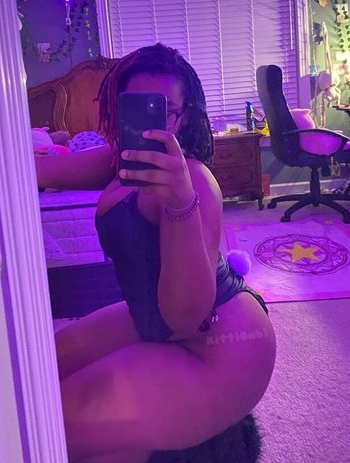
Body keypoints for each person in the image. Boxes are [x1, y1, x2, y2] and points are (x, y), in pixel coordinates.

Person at [40, 43, 276, 463]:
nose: (150, 122)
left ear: (183, 116)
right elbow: (40, 170)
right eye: (135, 105)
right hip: (149, 317)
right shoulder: (117, 162)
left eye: (165, 109)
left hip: (219, 345)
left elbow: (185, 317)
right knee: (39, 370)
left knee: (48, 425)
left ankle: (210, 442)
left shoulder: (195, 182)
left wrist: (179, 202)